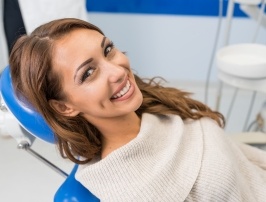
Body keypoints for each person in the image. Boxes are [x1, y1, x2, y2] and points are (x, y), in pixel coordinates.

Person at [9, 18, 266, 201]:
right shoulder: (131, 190)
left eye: (108, 50)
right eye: (88, 73)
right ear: (65, 106)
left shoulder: (156, 105)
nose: (118, 71)